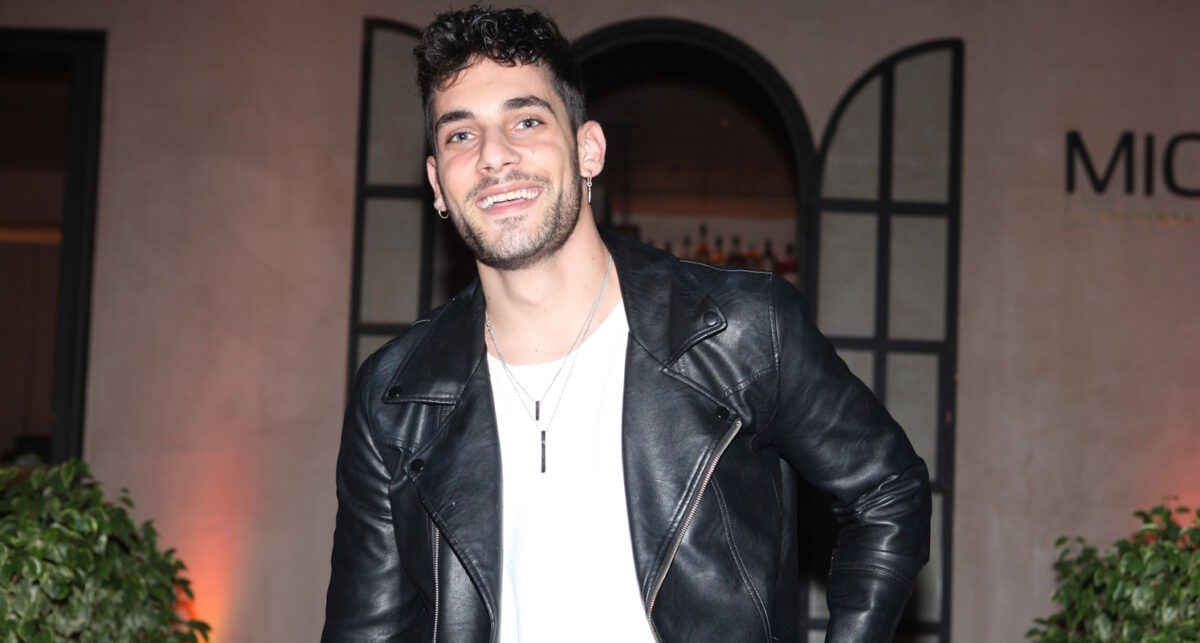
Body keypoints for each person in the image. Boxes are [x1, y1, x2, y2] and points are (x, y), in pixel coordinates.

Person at [322, 6, 930, 642]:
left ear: (588, 149)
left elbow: (887, 490)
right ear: (437, 183)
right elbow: (366, 630)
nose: (494, 156)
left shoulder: (738, 332)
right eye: (461, 135)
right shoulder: (394, 396)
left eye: (526, 121)